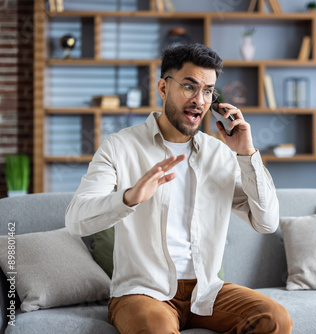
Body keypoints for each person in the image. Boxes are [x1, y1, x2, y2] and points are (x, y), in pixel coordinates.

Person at [65, 43, 293, 334]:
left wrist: (247, 155)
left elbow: (266, 222)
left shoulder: (220, 154)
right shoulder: (120, 147)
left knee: (274, 318)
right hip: (143, 291)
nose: (199, 100)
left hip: (207, 291)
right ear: (163, 87)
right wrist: (128, 198)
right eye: (189, 87)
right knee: (155, 328)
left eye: (208, 91)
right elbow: (75, 221)